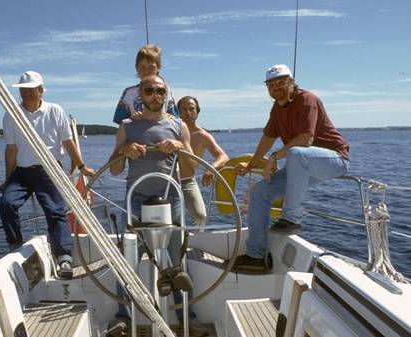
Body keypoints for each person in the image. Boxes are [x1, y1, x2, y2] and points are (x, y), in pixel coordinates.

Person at [107, 75, 209, 337]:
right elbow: (115, 170)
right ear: (141, 94)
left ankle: (187, 317)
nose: (154, 95)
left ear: (166, 94)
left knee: (177, 263)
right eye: (149, 90)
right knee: (126, 261)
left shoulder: (178, 126)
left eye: (159, 90)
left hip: (170, 201)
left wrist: (179, 147)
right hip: (136, 202)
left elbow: (189, 170)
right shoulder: (127, 126)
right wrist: (124, 150)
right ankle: (123, 319)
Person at [232, 64, 350, 273]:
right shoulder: (277, 109)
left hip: (334, 160)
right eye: (271, 84)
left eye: (281, 82)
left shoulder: (307, 100)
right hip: (303, 165)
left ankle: (291, 219)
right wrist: (250, 165)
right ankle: (256, 256)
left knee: (296, 153)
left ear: (292, 82)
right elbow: (267, 139)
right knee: (260, 192)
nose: (276, 86)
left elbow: (305, 139)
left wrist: (275, 157)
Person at [0, 70, 94, 279]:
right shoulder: (11, 115)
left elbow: (68, 142)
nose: (29, 94)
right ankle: (15, 247)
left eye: (33, 90)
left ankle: (64, 258)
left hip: (50, 170)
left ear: (41, 91)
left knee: (55, 211)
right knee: (7, 204)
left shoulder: (55, 111)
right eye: (24, 91)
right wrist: (7, 180)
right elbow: (11, 150)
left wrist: (81, 166)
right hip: (22, 172)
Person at [178, 96, 229, 226]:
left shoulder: (202, 136)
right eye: (183, 109)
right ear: (178, 111)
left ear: (197, 111)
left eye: (191, 109)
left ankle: (193, 241)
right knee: (170, 218)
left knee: (201, 216)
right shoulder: (171, 131)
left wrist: (210, 168)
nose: (188, 113)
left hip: (187, 181)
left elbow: (223, 156)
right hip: (169, 180)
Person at [112, 44, 178, 124]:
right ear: (136, 68)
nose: (147, 71)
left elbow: (175, 117)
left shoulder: (165, 90)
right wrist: (132, 118)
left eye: (151, 67)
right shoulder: (129, 93)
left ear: (159, 67)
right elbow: (120, 121)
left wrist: (169, 117)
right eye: (143, 67)